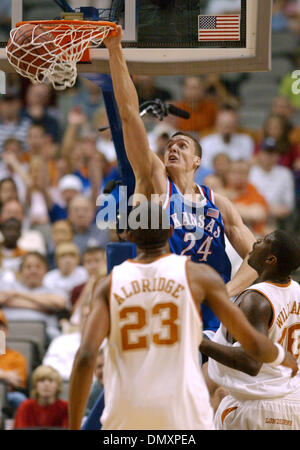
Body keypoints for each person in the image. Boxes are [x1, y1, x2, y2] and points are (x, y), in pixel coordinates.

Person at [68, 201, 297, 430]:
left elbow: (86, 356)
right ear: (170, 231)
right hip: (182, 410)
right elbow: (253, 343)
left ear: (128, 235)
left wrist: (74, 426)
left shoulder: (107, 286)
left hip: (126, 409)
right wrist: (281, 356)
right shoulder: (199, 277)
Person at [102, 26, 261, 334]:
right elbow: (129, 116)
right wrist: (114, 50)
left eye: (181, 145)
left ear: (197, 160)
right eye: (169, 146)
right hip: (167, 302)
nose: (172, 148)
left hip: (213, 311)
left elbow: (257, 258)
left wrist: (227, 293)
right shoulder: (156, 182)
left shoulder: (220, 203)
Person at [201, 230, 300, 430]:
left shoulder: (256, 299)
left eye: (264, 241)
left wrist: (199, 341)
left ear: (271, 259)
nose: (255, 243)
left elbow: (251, 362)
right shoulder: (297, 291)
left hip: (255, 407)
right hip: (293, 405)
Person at [0, 252, 67, 341]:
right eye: (28, 267)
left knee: (57, 337)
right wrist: (45, 306)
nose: (33, 270)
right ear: (21, 271)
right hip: (6, 330)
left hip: (45, 333)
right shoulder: (8, 285)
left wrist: (18, 294)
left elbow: (59, 303)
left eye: (38, 267)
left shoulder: (54, 288)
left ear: (45, 270)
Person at [43, 242, 88, 307]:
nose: (67, 260)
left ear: (78, 259)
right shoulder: (49, 277)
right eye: (63, 256)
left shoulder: (84, 273)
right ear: (56, 260)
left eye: (72, 256)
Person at [0, 310, 27, 415]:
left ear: (6, 331)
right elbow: (10, 379)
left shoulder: (16, 356)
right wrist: (5, 375)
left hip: (7, 396)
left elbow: (17, 382)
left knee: (19, 398)